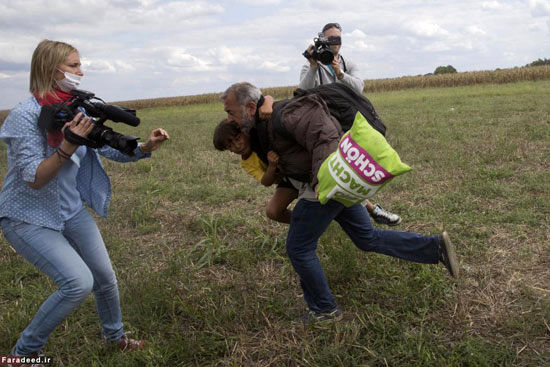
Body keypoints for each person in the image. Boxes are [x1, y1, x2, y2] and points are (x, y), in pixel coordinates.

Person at [221, 82, 459, 323]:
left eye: (230, 112)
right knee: (367, 238)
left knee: (298, 248)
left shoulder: (286, 113)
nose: (229, 118)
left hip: (323, 186)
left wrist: (320, 182)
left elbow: (324, 135)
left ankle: (324, 309)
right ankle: (434, 247)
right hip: (333, 185)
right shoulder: (262, 120)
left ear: (250, 107)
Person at [0, 39, 169, 365]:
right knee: (77, 283)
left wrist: (145, 146)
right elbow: (34, 178)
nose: (82, 70)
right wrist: (67, 145)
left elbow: (105, 147)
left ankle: (115, 338)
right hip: (28, 216)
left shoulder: (76, 109)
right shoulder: (25, 116)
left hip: (70, 210)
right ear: (52, 69)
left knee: (104, 278)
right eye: (74, 65)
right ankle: (24, 354)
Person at [213, 119, 297, 223]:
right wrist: (271, 166)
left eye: (238, 138)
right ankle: (304, 222)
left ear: (244, 131)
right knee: (272, 211)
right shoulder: (246, 163)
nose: (237, 146)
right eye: (230, 146)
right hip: (286, 181)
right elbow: (266, 182)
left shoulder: (260, 136)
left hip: (298, 170)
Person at [299, 22, 364, 95]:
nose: (335, 42)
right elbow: (302, 93)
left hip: (344, 105)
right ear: (323, 40)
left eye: (338, 39)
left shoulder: (349, 65)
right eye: (331, 39)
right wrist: (313, 68)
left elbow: (359, 89)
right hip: (321, 105)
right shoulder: (310, 65)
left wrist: (341, 75)